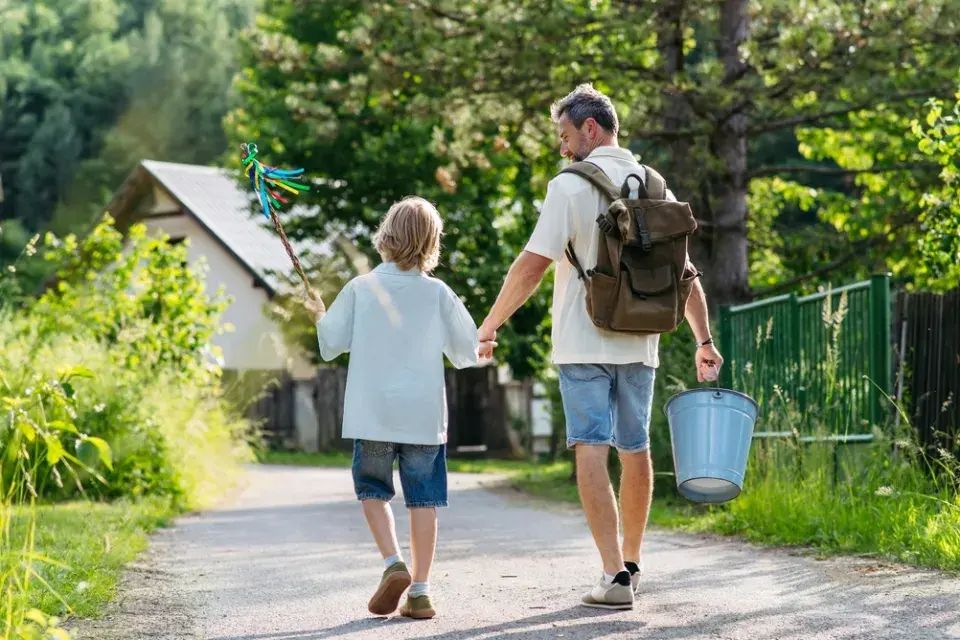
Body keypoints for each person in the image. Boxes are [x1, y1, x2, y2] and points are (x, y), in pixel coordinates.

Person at [477, 84, 724, 610]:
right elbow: (683, 273)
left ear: (591, 128)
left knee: (590, 448)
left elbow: (533, 264)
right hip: (641, 342)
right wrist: (704, 339)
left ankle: (611, 574)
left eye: (565, 136)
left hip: (583, 339)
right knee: (635, 450)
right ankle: (632, 567)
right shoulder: (654, 183)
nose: (562, 148)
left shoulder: (568, 186)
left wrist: (490, 325)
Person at [308, 196, 486, 619]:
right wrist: (483, 346)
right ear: (431, 242)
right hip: (423, 419)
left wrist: (317, 312)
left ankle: (393, 563)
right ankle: (420, 592)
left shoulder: (360, 288)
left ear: (386, 235)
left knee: (372, 490)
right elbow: (466, 352)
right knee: (423, 501)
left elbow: (331, 344)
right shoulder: (438, 293)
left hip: (373, 416)